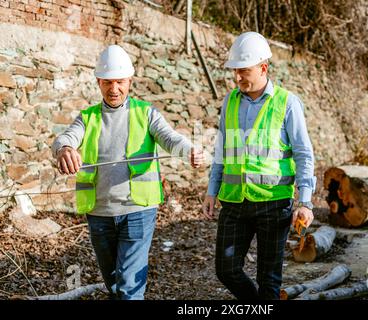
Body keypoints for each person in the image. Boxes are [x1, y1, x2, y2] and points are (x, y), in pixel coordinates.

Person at [52, 45, 204, 300]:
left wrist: (188, 150)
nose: (114, 89)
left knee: (129, 288)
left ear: (129, 81)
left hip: (138, 211)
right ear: (99, 82)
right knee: (113, 283)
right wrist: (64, 149)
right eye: (108, 82)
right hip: (99, 214)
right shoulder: (87, 118)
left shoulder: (146, 113)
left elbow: (170, 138)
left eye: (120, 82)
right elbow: (64, 139)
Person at [202, 32, 316, 300]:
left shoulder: (287, 103)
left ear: (263, 68)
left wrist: (306, 201)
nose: (238, 77)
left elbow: (304, 154)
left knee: (269, 279)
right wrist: (211, 189)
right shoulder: (230, 101)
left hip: (273, 204)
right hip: (234, 202)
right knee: (226, 270)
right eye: (235, 72)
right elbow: (222, 150)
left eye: (244, 71)